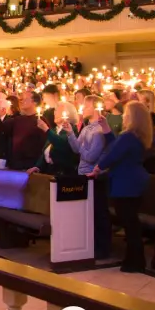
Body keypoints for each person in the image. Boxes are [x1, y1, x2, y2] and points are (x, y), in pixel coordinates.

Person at [89, 101, 152, 273]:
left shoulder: (128, 137)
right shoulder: (134, 137)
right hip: (133, 181)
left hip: (126, 182)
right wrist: (107, 128)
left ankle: (136, 261)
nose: (123, 116)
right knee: (131, 222)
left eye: (126, 114)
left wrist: (98, 168)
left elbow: (113, 154)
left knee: (130, 223)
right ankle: (134, 259)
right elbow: (116, 146)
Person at [66, 95, 112, 260]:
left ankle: (103, 248)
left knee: (99, 212)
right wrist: (70, 133)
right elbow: (75, 148)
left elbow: (91, 156)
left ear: (94, 108)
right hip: (83, 173)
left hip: (95, 175)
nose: (82, 109)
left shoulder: (99, 130)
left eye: (85, 106)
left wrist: (81, 151)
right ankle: (91, 245)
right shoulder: (86, 128)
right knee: (89, 212)